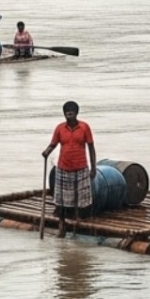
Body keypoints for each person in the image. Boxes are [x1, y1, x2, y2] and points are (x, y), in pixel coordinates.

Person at [41, 100, 96, 237]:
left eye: (71, 114)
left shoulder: (84, 128)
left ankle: (77, 223)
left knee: (80, 198)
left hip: (81, 167)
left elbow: (91, 148)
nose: (69, 117)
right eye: (66, 114)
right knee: (62, 199)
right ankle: (62, 225)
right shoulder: (60, 128)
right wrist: (46, 151)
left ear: (76, 114)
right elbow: (53, 144)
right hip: (64, 167)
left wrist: (93, 167)